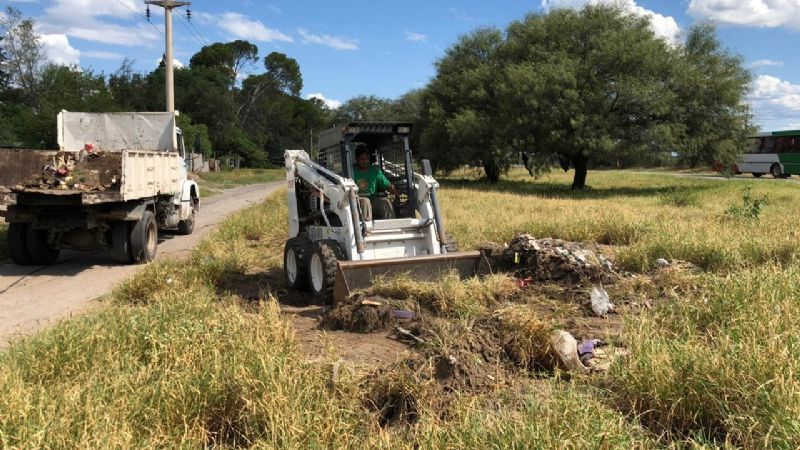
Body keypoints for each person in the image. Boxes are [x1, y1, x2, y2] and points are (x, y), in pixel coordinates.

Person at [353, 144, 395, 221]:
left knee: (386, 202)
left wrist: (392, 189)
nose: (365, 161)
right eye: (362, 159)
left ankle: (392, 226)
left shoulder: (375, 170)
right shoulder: (352, 172)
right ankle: (366, 228)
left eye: (367, 159)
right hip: (357, 201)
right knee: (365, 201)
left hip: (373, 199)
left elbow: (386, 184)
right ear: (357, 159)